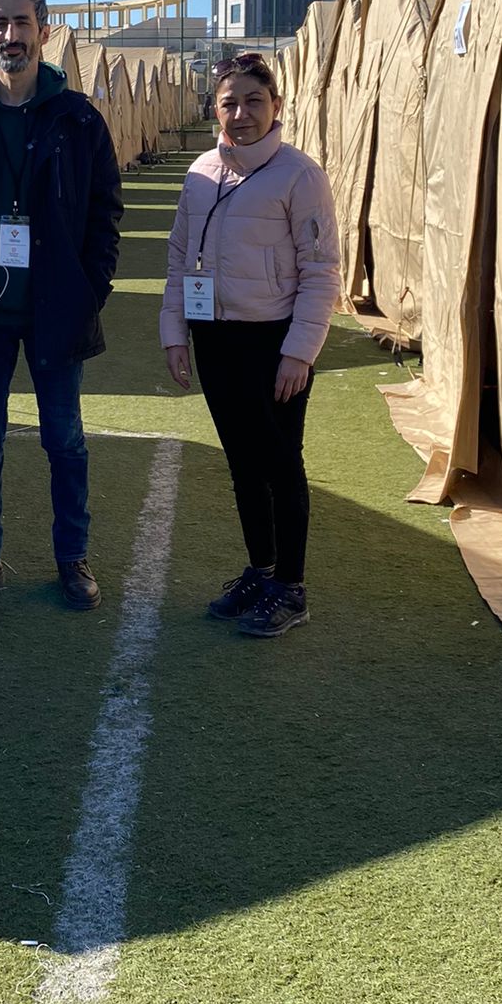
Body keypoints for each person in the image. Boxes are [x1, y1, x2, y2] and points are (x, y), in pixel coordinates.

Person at [0, 0, 122, 610]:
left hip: (54, 309)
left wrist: (90, 287)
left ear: (42, 29)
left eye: (21, 23)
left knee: (64, 441)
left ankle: (73, 558)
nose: (10, 36)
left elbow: (104, 211)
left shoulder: (78, 118)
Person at [160, 51, 340, 637]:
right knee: (242, 463)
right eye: (230, 103)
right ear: (215, 109)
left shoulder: (300, 175)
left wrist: (299, 352)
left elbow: (321, 270)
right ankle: (261, 571)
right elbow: (180, 258)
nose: (241, 114)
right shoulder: (201, 171)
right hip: (215, 337)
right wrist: (175, 333)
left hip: (272, 341)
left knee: (281, 463)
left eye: (254, 101)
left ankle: (291, 586)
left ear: (276, 106)